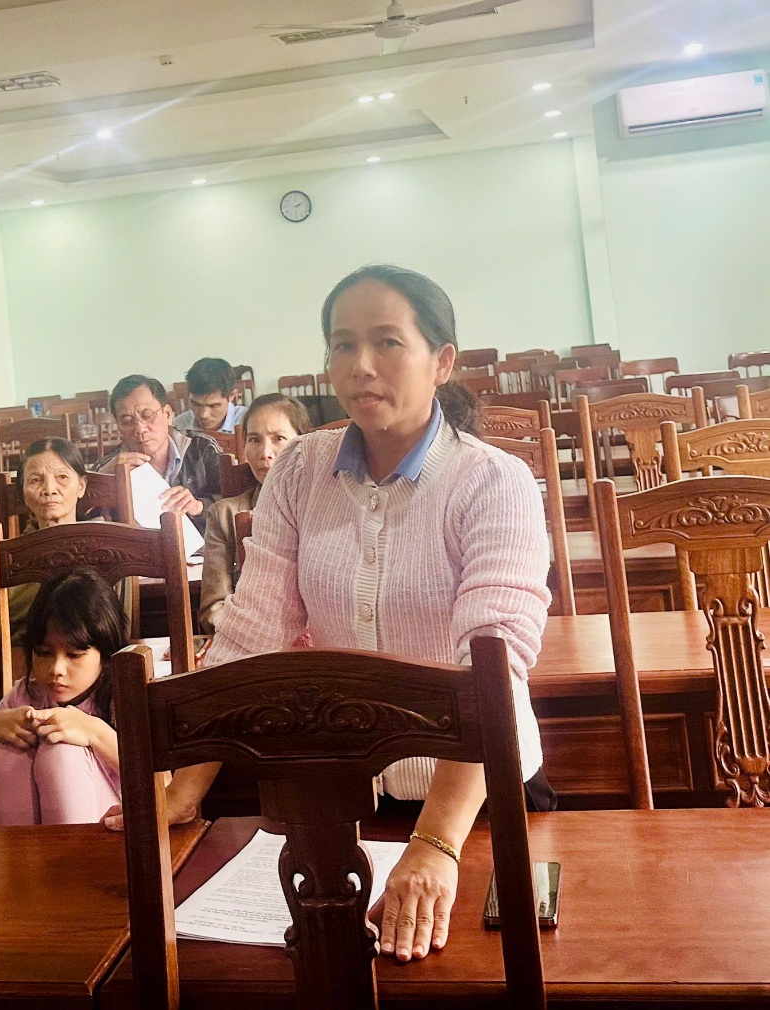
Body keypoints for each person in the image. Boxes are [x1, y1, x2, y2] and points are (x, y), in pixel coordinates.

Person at [105, 264, 555, 966]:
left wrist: (435, 844)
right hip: (339, 798)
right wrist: (184, 788)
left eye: (387, 342)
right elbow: (253, 634)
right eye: (343, 345)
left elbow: (493, 671)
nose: (360, 365)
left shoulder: (494, 482)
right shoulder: (300, 469)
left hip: (475, 801)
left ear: (441, 362)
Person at [0, 568, 124, 825]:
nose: (56, 669)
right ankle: (20, 851)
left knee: (61, 752)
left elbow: (164, 786)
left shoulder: (120, 698)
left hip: (107, 837)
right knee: (8, 751)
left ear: (106, 657)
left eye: (74, 655)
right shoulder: (25, 695)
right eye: (43, 652)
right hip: (23, 842)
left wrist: (94, 732)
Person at [197, 393, 310, 632]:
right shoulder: (224, 515)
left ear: (304, 444)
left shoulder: (326, 509)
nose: (265, 453)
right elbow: (213, 608)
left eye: (279, 438)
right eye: (254, 440)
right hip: (251, 643)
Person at [0, 438, 88, 648]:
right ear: (23, 494)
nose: (49, 489)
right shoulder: (8, 558)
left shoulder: (108, 546)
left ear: (81, 486)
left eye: (62, 477)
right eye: (35, 480)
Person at [96, 375, 223, 530]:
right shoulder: (109, 466)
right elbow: (81, 516)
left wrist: (199, 507)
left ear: (167, 414)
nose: (140, 429)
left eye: (147, 415)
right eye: (127, 420)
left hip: (203, 543)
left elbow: (234, 502)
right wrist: (102, 481)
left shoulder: (202, 448)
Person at [173, 357, 248, 434]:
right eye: (196, 404)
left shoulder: (248, 422)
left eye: (213, 406)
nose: (204, 415)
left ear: (232, 395)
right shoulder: (179, 426)